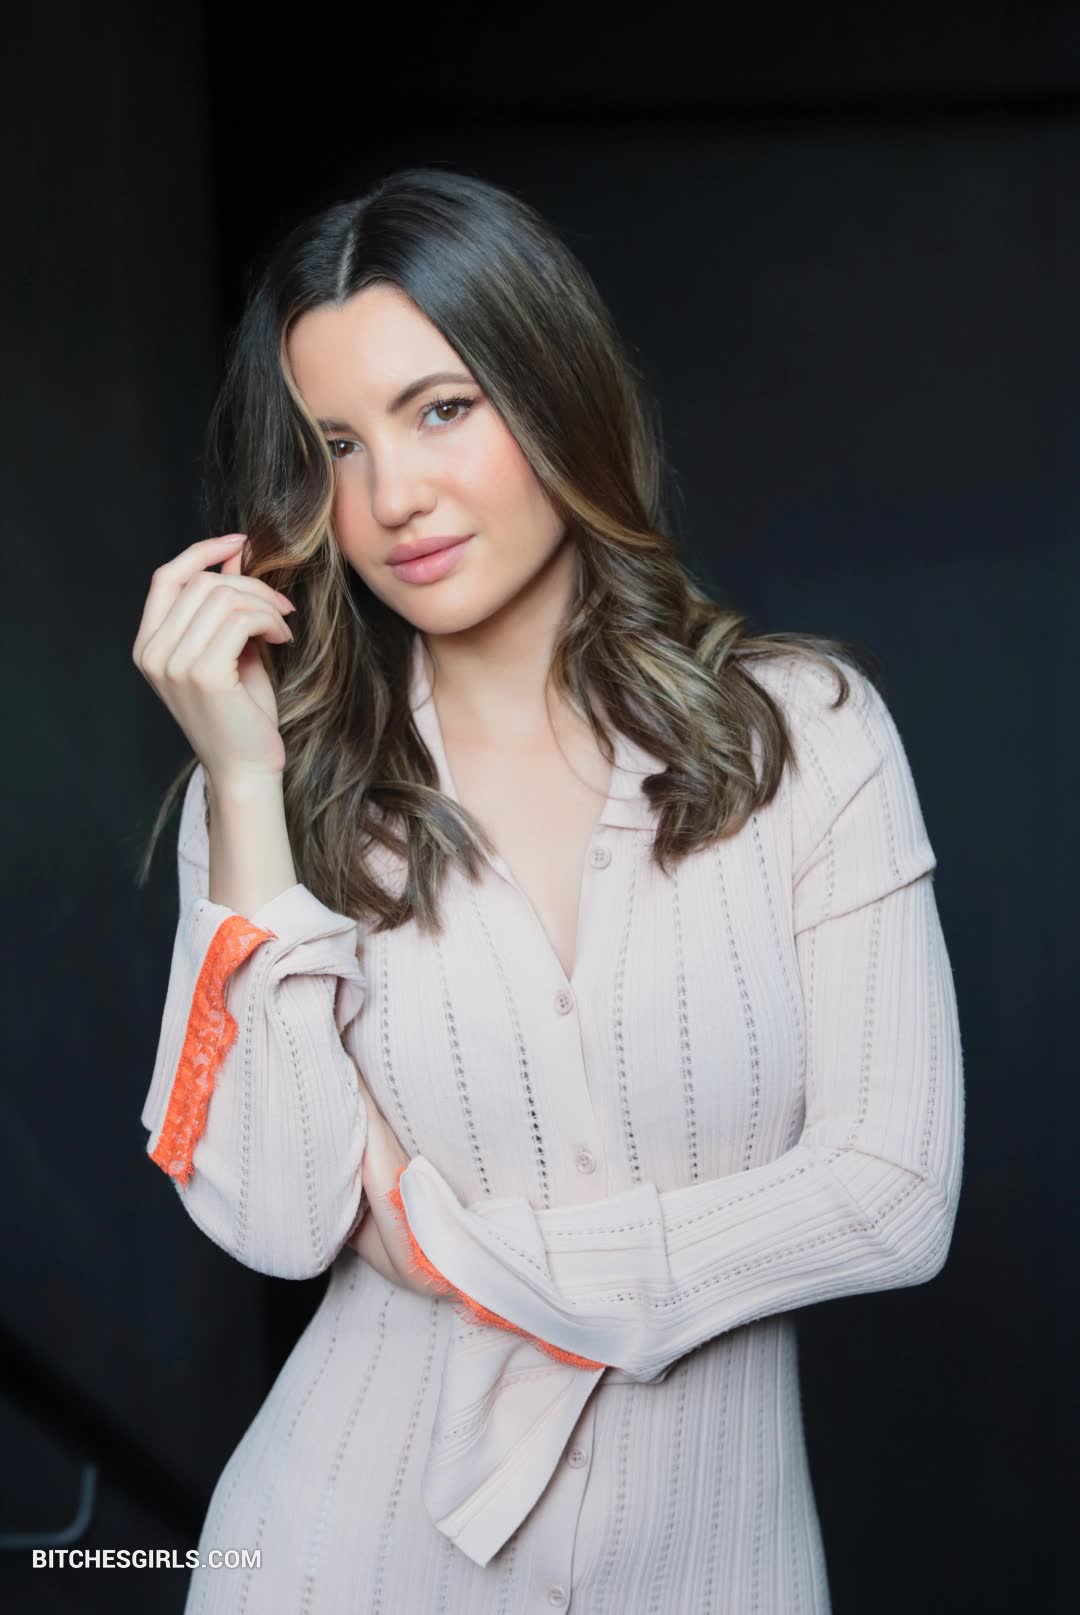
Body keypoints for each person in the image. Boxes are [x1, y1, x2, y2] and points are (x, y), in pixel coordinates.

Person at [132, 167, 964, 1613]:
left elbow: (892, 1196)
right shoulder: (278, 789)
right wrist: (245, 785)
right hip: (340, 1558)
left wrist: (463, 1251)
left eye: (441, 409)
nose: (393, 498)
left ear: (555, 391)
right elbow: (275, 1217)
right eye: (337, 446)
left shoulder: (806, 736)